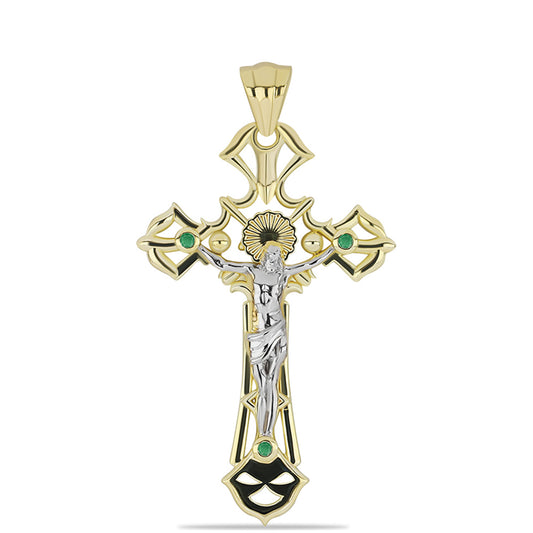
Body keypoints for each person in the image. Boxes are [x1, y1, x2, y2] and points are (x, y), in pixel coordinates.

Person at [199, 241, 334, 436]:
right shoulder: (252, 270)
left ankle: (267, 433)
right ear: (264, 255)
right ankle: (263, 432)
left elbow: (310, 263)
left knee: (271, 380)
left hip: (276, 330)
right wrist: (200, 248)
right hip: (258, 332)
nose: (273, 257)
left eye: (277, 254)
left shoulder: (283, 274)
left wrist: (332, 249)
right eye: (270, 253)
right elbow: (222, 264)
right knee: (261, 383)